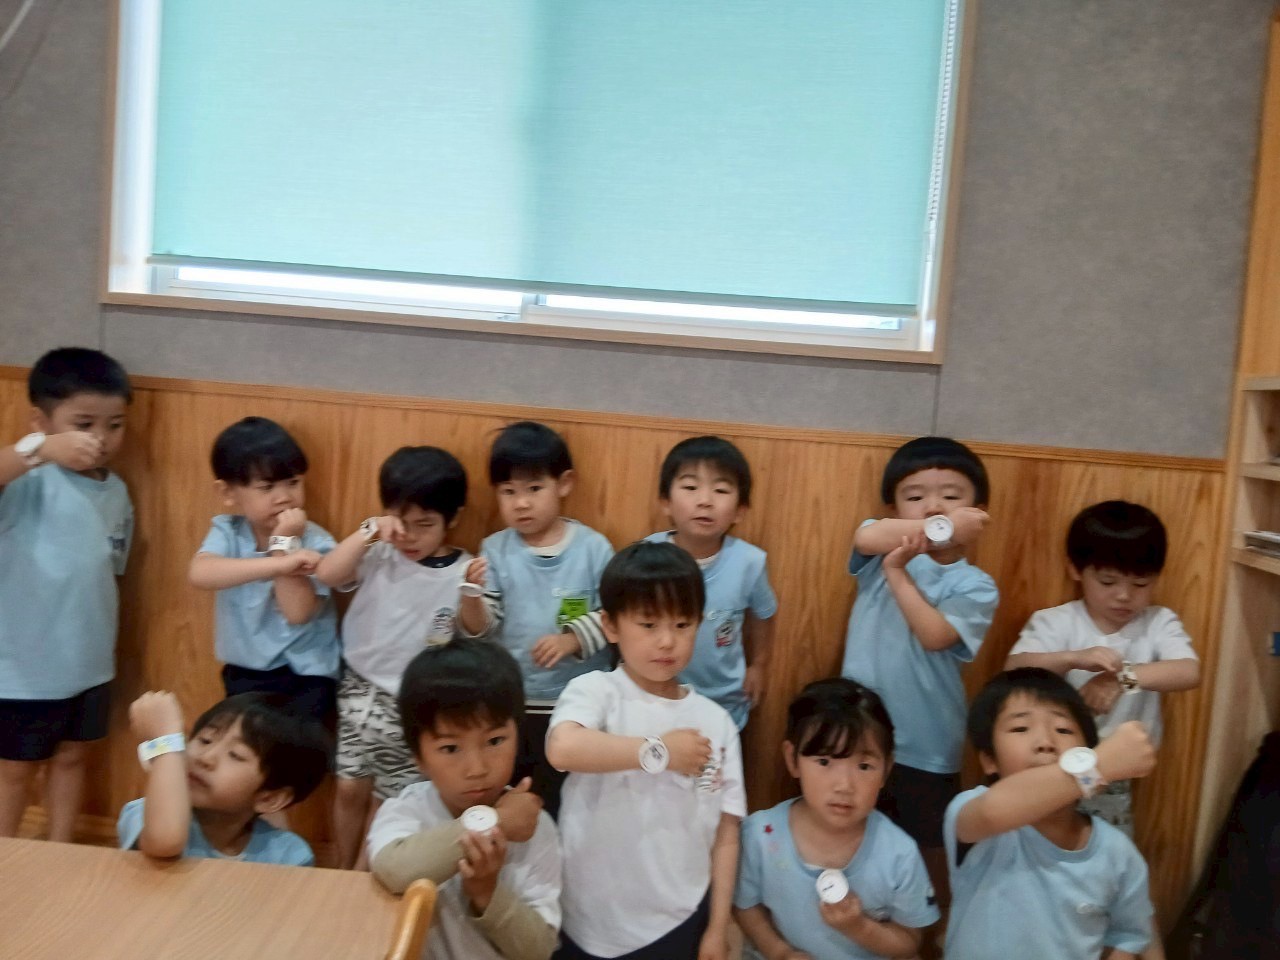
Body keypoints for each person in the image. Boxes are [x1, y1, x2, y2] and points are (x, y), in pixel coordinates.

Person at [546, 540, 745, 960]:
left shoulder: (717, 723)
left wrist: (718, 924)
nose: (667, 641)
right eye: (649, 624)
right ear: (611, 626)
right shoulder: (596, 691)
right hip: (586, 915)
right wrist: (660, 752)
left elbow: (727, 833)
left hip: (678, 915)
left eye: (682, 624)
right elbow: (563, 748)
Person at [840, 436, 998, 903]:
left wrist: (898, 573)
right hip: (858, 734)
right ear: (893, 508)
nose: (933, 506)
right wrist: (941, 528)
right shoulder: (877, 549)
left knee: (929, 849)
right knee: (850, 836)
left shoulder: (974, 584)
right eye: (915, 497)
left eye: (951, 496)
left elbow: (935, 636)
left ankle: (931, 933)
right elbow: (867, 537)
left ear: (978, 512)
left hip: (926, 743)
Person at [315, 445, 478, 869]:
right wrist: (368, 531)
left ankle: (359, 880)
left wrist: (473, 594)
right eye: (401, 522)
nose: (410, 536)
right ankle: (340, 869)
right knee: (348, 787)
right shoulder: (378, 551)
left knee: (388, 800)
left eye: (425, 525)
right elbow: (328, 574)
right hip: (357, 689)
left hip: (412, 702)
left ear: (453, 519)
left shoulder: (463, 571)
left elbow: (479, 629)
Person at [0, 347, 134, 841]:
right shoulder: (26, 480)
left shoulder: (117, 492)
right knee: (15, 770)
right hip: (22, 669)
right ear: (41, 421)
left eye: (115, 425)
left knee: (73, 757)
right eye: (83, 424)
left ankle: (61, 849)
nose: (100, 438)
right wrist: (38, 449)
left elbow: (111, 568)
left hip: (88, 663)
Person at [1006, 500, 1200, 833]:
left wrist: (1122, 678)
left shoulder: (1158, 622)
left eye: (1141, 584)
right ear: (1075, 570)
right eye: (1108, 582)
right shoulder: (1057, 622)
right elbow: (1013, 668)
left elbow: (1188, 671)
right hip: (1048, 763)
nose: (1124, 595)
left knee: (1104, 851)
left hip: (1114, 769)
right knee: (1040, 843)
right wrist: (1073, 658)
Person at [367, 639, 561, 960]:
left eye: (495, 741)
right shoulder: (407, 810)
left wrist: (486, 893)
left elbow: (539, 949)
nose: (477, 769)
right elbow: (394, 871)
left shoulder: (534, 825)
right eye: (450, 748)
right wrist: (494, 822)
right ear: (418, 756)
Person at [944, 668, 1157, 960]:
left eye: (1063, 729)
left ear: (1086, 749)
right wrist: (1097, 769)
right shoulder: (974, 813)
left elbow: (1128, 936)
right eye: (1021, 728)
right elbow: (993, 811)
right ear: (989, 760)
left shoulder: (1117, 853)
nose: (1045, 741)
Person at [462, 420, 613, 816]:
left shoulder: (594, 549)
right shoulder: (494, 550)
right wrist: (470, 597)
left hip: (579, 701)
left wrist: (571, 639)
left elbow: (616, 615)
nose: (521, 503)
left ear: (564, 484)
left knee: (572, 798)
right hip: (514, 700)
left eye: (533, 489)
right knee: (517, 793)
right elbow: (484, 626)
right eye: (508, 492)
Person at [735, 678, 938, 959]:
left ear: (886, 769)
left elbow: (909, 942)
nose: (844, 785)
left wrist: (860, 928)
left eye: (864, 766)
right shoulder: (760, 835)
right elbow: (746, 906)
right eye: (824, 762)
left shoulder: (899, 855)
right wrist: (779, 952)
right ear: (792, 759)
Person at [189, 417, 340, 725]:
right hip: (245, 672)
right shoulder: (228, 532)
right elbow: (200, 574)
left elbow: (298, 613)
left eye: (293, 482)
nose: (284, 497)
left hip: (306, 675)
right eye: (267, 487)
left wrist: (284, 545)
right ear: (228, 493)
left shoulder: (317, 541)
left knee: (297, 754)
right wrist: (279, 564)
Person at [119, 690, 330, 865]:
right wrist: (164, 742)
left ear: (269, 798)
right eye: (205, 740)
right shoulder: (145, 814)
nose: (206, 758)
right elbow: (166, 840)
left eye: (235, 755)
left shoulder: (288, 854)